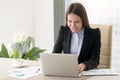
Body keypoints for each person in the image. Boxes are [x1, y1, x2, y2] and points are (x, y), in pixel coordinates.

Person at [52, 2, 101, 73]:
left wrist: (85, 65)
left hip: (85, 73)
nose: (72, 25)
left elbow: (95, 60)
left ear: (83, 21)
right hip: (67, 72)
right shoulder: (63, 31)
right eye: (70, 21)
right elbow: (55, 54)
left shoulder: (94, 34)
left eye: (76, 22)